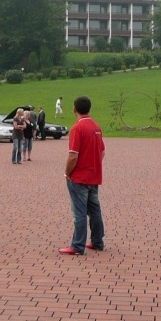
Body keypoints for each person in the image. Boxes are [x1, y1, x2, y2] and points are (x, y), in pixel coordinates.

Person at [59, 95, 105, 255]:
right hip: (94, 175)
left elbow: (73, 155)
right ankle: (97, 241)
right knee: (94, 210)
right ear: (89, 108)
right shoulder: (96, 126)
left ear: (74, 109)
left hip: (79, 177)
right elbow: (102, 151)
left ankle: (77, 245)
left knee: (79, 212)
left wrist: (67, 172)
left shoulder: (77, 128)